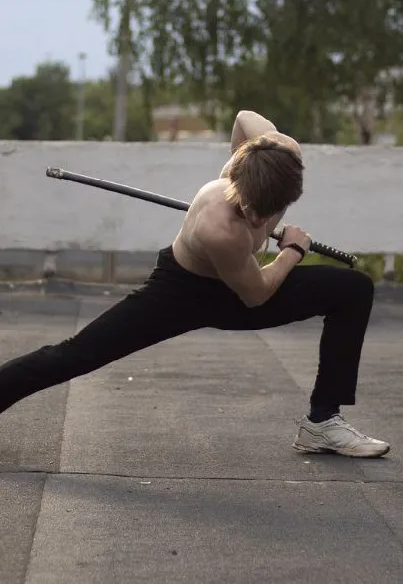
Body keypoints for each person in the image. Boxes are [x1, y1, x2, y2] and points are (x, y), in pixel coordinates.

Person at [0, 110, 389, 458]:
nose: (257, 224)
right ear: (237, 177)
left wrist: (278, 231)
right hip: (182, 292)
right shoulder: (219, 227)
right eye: (250, 213)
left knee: (353, 289)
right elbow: (256, 295)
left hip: (241, 283)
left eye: (267, 217)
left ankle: (322, 422)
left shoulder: (280, 156)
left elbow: (243, 118)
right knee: (76, 354)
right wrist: (292, 250)